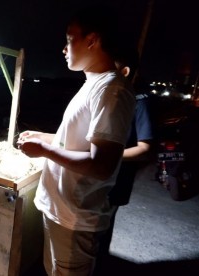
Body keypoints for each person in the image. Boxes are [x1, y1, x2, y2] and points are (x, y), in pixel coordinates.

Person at [16, 6, 136, 276]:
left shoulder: (112, 90)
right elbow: (77, 142)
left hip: (75, 218)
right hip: (60, 212)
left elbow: (102, 163)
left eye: (69, 39)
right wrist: (42, 137)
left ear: (92, 40)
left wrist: (44, 150)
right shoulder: (93, 84)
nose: (64, 48)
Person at [96, 47, 154, 265]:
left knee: (101, 233)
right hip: (95, 178)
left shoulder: (139, 101)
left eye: (109, 68)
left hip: (116, 181)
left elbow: (145, 148)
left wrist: (107, 157)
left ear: (125, 71)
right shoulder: (106, 96)